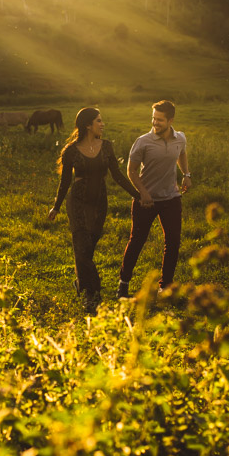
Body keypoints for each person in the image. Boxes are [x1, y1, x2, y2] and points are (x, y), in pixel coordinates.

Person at [49, 107, 140, 313]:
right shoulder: (71, 151)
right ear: (88, 125)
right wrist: (56, 206)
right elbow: (64, 182)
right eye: (99, 121)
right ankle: (93, 294)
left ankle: (81, 283)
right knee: (81, 247)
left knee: (88, 248)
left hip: (99, 201)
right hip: (78, 201)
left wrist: (138, 196)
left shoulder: (106, 147)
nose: (103, 124)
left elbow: (117, 175)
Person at [117, 100, 192, 298]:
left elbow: (182, 155)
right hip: (146, 201)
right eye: (153, 118)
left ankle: (165, 287)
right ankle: (123, 283)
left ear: (170, 120)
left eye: (159, 120)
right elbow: (131, 170)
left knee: (173, 242)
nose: (155, 123)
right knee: (137, 240)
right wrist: (143, 192)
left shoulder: (180, 138)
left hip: (171, 198)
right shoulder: (143, 141)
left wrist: (186, 174)